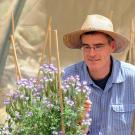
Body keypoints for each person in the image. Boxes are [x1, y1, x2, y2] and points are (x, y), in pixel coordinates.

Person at [62, 14, 135, 135]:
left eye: (98, 46)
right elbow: (59, 128)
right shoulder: (68, 79)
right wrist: (79, 119)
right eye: (86, 47)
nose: (92, 53)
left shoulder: (132, 78)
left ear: (112, 46)